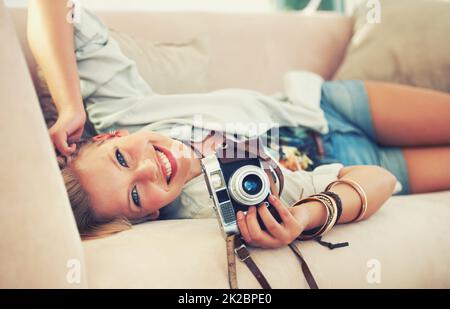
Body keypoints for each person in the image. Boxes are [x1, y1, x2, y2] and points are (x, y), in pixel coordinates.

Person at [28, 1, 450, 247]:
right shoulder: (203, 209)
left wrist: (69, 107)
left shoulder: (124, 110)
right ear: (150, 216)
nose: (147, 169)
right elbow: (375, 178)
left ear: (112, 136)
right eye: (136, 195)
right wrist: (305, 218)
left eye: (121, 158)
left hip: (323, 107)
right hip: (350, 162)